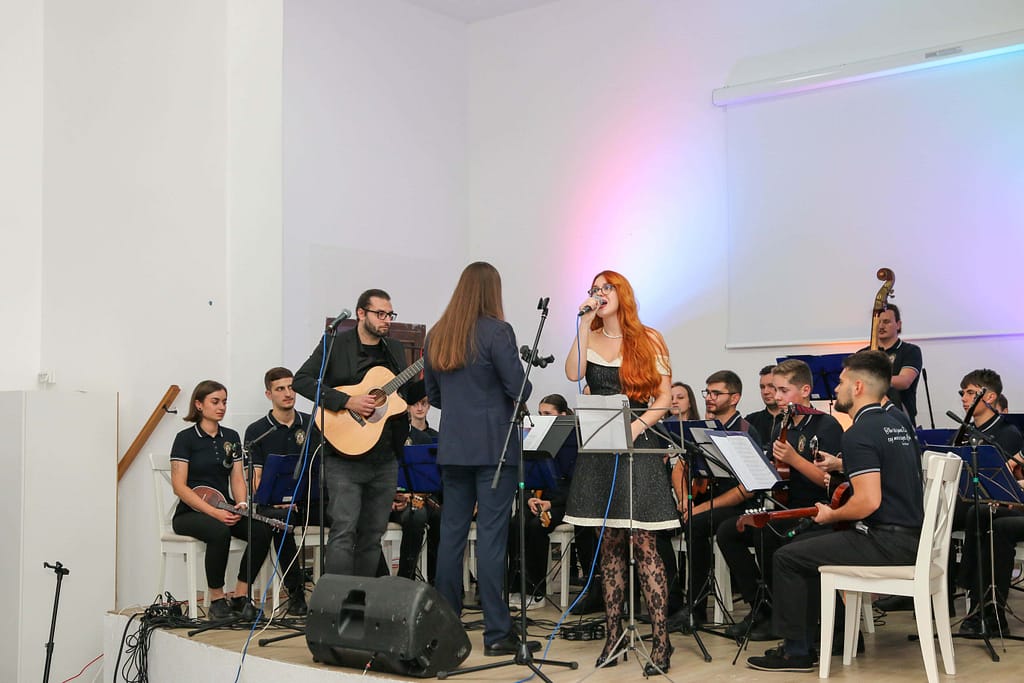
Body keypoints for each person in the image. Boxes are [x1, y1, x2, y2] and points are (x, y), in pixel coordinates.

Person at [747, 350, 924, 672]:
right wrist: (843, 465)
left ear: (858, 387)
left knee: (788, 557)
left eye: (841, 383)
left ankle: (796, 652)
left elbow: (867, 502)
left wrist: (830, 514)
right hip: (914, 537)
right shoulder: (896, 421)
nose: (836, 389)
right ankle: (821, 636)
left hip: (887, 542)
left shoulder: (859, 432)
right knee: (804, 547)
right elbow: (890, 467)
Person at [423, 261, 540, 657]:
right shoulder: (497, 331)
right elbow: (518, 388)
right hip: (494, 449)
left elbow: (434, 396)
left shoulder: (438, 334)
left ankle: (445, 628)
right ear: (493, 291)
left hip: (453, 448)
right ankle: (496, 634)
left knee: (451, 537)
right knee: (491, 538)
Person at [563, 270, 676, 675]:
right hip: (600, 447)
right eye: (594, 289)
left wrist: (637, 427)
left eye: (606, 288)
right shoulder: (590, 335)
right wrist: (581, 323)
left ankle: (661, 641)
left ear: (622, 294)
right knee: (608, 542)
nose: (599, 294)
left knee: (644, 542)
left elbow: (664, 396)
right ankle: (613, 636)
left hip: (637, 443)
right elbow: (573, 374)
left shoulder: (650, 338)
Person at [716, 360, 842, 640]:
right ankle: (762, 607)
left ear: (805, 390)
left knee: (768, 535)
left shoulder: (826, 425)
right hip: (786, 507)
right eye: (775, 389)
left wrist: (794, 459)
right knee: (729, 531)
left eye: (784, 390)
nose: (777, 396)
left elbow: (831, 483)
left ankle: (783, 618)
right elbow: (780, 477)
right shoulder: (781, 427)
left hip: (818, 512)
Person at [293, 289, 410, 577]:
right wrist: (347, 401)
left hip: (385, 457)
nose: (386, 320)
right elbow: (302, 381)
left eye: (390, 315)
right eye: (380, 314)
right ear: (361, 313)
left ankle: (363, 598)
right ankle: (337, 600)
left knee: (373, 535)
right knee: (344, 532)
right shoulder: (335, 343)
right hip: (344, 457)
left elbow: (401, 396)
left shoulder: (394, 349)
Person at [171, 380, 274, 619]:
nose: (221, 407)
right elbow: (179, 486)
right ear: (199, 405)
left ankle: (239, 596)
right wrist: (214, 512)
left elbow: (237, 477)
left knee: (260, 530)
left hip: (224, 507)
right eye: (215, 402)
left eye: (224, 402)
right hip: (190, 513)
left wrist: (241, 504)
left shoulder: (231, 436)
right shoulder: (185, 438)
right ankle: (217, 600)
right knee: (219, 531)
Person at [668, 370, 762, 630]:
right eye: (707, 392)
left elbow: (747, 489)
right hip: (705, 502)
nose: (709, 398)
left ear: (734, 398)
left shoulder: (745, 431)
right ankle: (674, 602)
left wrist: (700, 508)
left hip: (738, 506)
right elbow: (680, 468)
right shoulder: (703, 429)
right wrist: (685, 501)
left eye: (716, 393)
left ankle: (697, 607)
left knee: (696, 525)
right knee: (661, 524)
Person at [953, 369, 1024, 634]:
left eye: (970, 392)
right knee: (982, 514)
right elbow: (1010, 467)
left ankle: (985, 609)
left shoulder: (1008, 431)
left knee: (986, 517)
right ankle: (986, 610)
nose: (964, 398)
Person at [244, 367, 314, 616]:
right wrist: (277, 499)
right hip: (274, 506)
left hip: (309, 502)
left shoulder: (311, 423)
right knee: (279, 520)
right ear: (269, 394)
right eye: (280, 389)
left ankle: (341, 593)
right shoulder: (257, 430)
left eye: (291, 387)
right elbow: (255, 479)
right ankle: (296, 594)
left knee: (347, 516)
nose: (288, 393)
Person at [390, 380, 441, 582]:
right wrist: (393, 495)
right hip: (391, 500)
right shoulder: (390, 435)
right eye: (414, 404)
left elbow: (432, 478)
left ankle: (429, 578)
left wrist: (418, 495)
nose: (419, 408)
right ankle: (399, 579)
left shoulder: (426, 439)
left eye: (424, 403)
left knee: (426, 515)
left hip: (419, 499)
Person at [858, 304, 923, 425]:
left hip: (900, 419)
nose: (881, 326)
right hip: (868, 419)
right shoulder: (862, 354)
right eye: (878, 322)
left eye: (886, 322)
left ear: (898, 324)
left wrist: (873, 380)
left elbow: (904, 381)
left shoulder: (910, 351)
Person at [745, 365, 783, 446]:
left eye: (771, 386)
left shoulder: (793, 420)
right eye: (762, 387)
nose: (765, 392)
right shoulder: (750, 420)